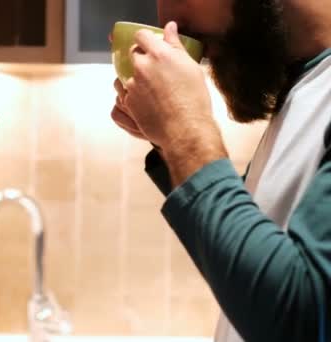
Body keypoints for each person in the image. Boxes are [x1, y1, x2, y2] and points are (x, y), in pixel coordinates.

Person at [111, 0, 331, 341]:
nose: (166, 18)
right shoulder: (309, 84)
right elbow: (268, 230)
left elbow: (303, 318)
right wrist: (170, 140)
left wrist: (186, 134)